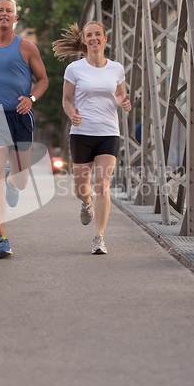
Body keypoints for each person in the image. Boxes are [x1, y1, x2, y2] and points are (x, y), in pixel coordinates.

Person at [0, 0, 48, 259]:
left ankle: (12, 181)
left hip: (20, 116)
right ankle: (1, 239)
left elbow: (43, 80)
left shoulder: (26, 47)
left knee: (21, 180)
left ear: (15, 18)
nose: (5, 14)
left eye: (10, 11)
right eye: (0, 11)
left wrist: (32, 99)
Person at [52, 22, 131, 254]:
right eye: (89, 35)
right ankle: (86, 203)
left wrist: (123, 101)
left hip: (108, 133)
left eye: (98, 34)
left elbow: (118, 95)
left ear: (105, 38)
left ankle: (99, 237)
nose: (94, 38)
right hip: (81, 134)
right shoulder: (74, 69)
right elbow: (67, 99)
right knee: (80, 189)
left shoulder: (116, 68)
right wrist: (71, 114)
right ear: (84, 41)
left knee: (102, 186)